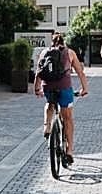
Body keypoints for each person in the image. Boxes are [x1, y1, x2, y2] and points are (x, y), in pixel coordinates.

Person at [33, 32, 88, 163]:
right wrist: (84, 88)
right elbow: (80, 72)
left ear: (52, 42)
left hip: (48, 87)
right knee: (68, 117)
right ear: (64, 41)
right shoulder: (70, 53)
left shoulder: (44, 52)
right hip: (65, 88)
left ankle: (47, 126)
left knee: (50, 103)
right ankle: (69, 150)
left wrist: (37, 89)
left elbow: (38, 73)